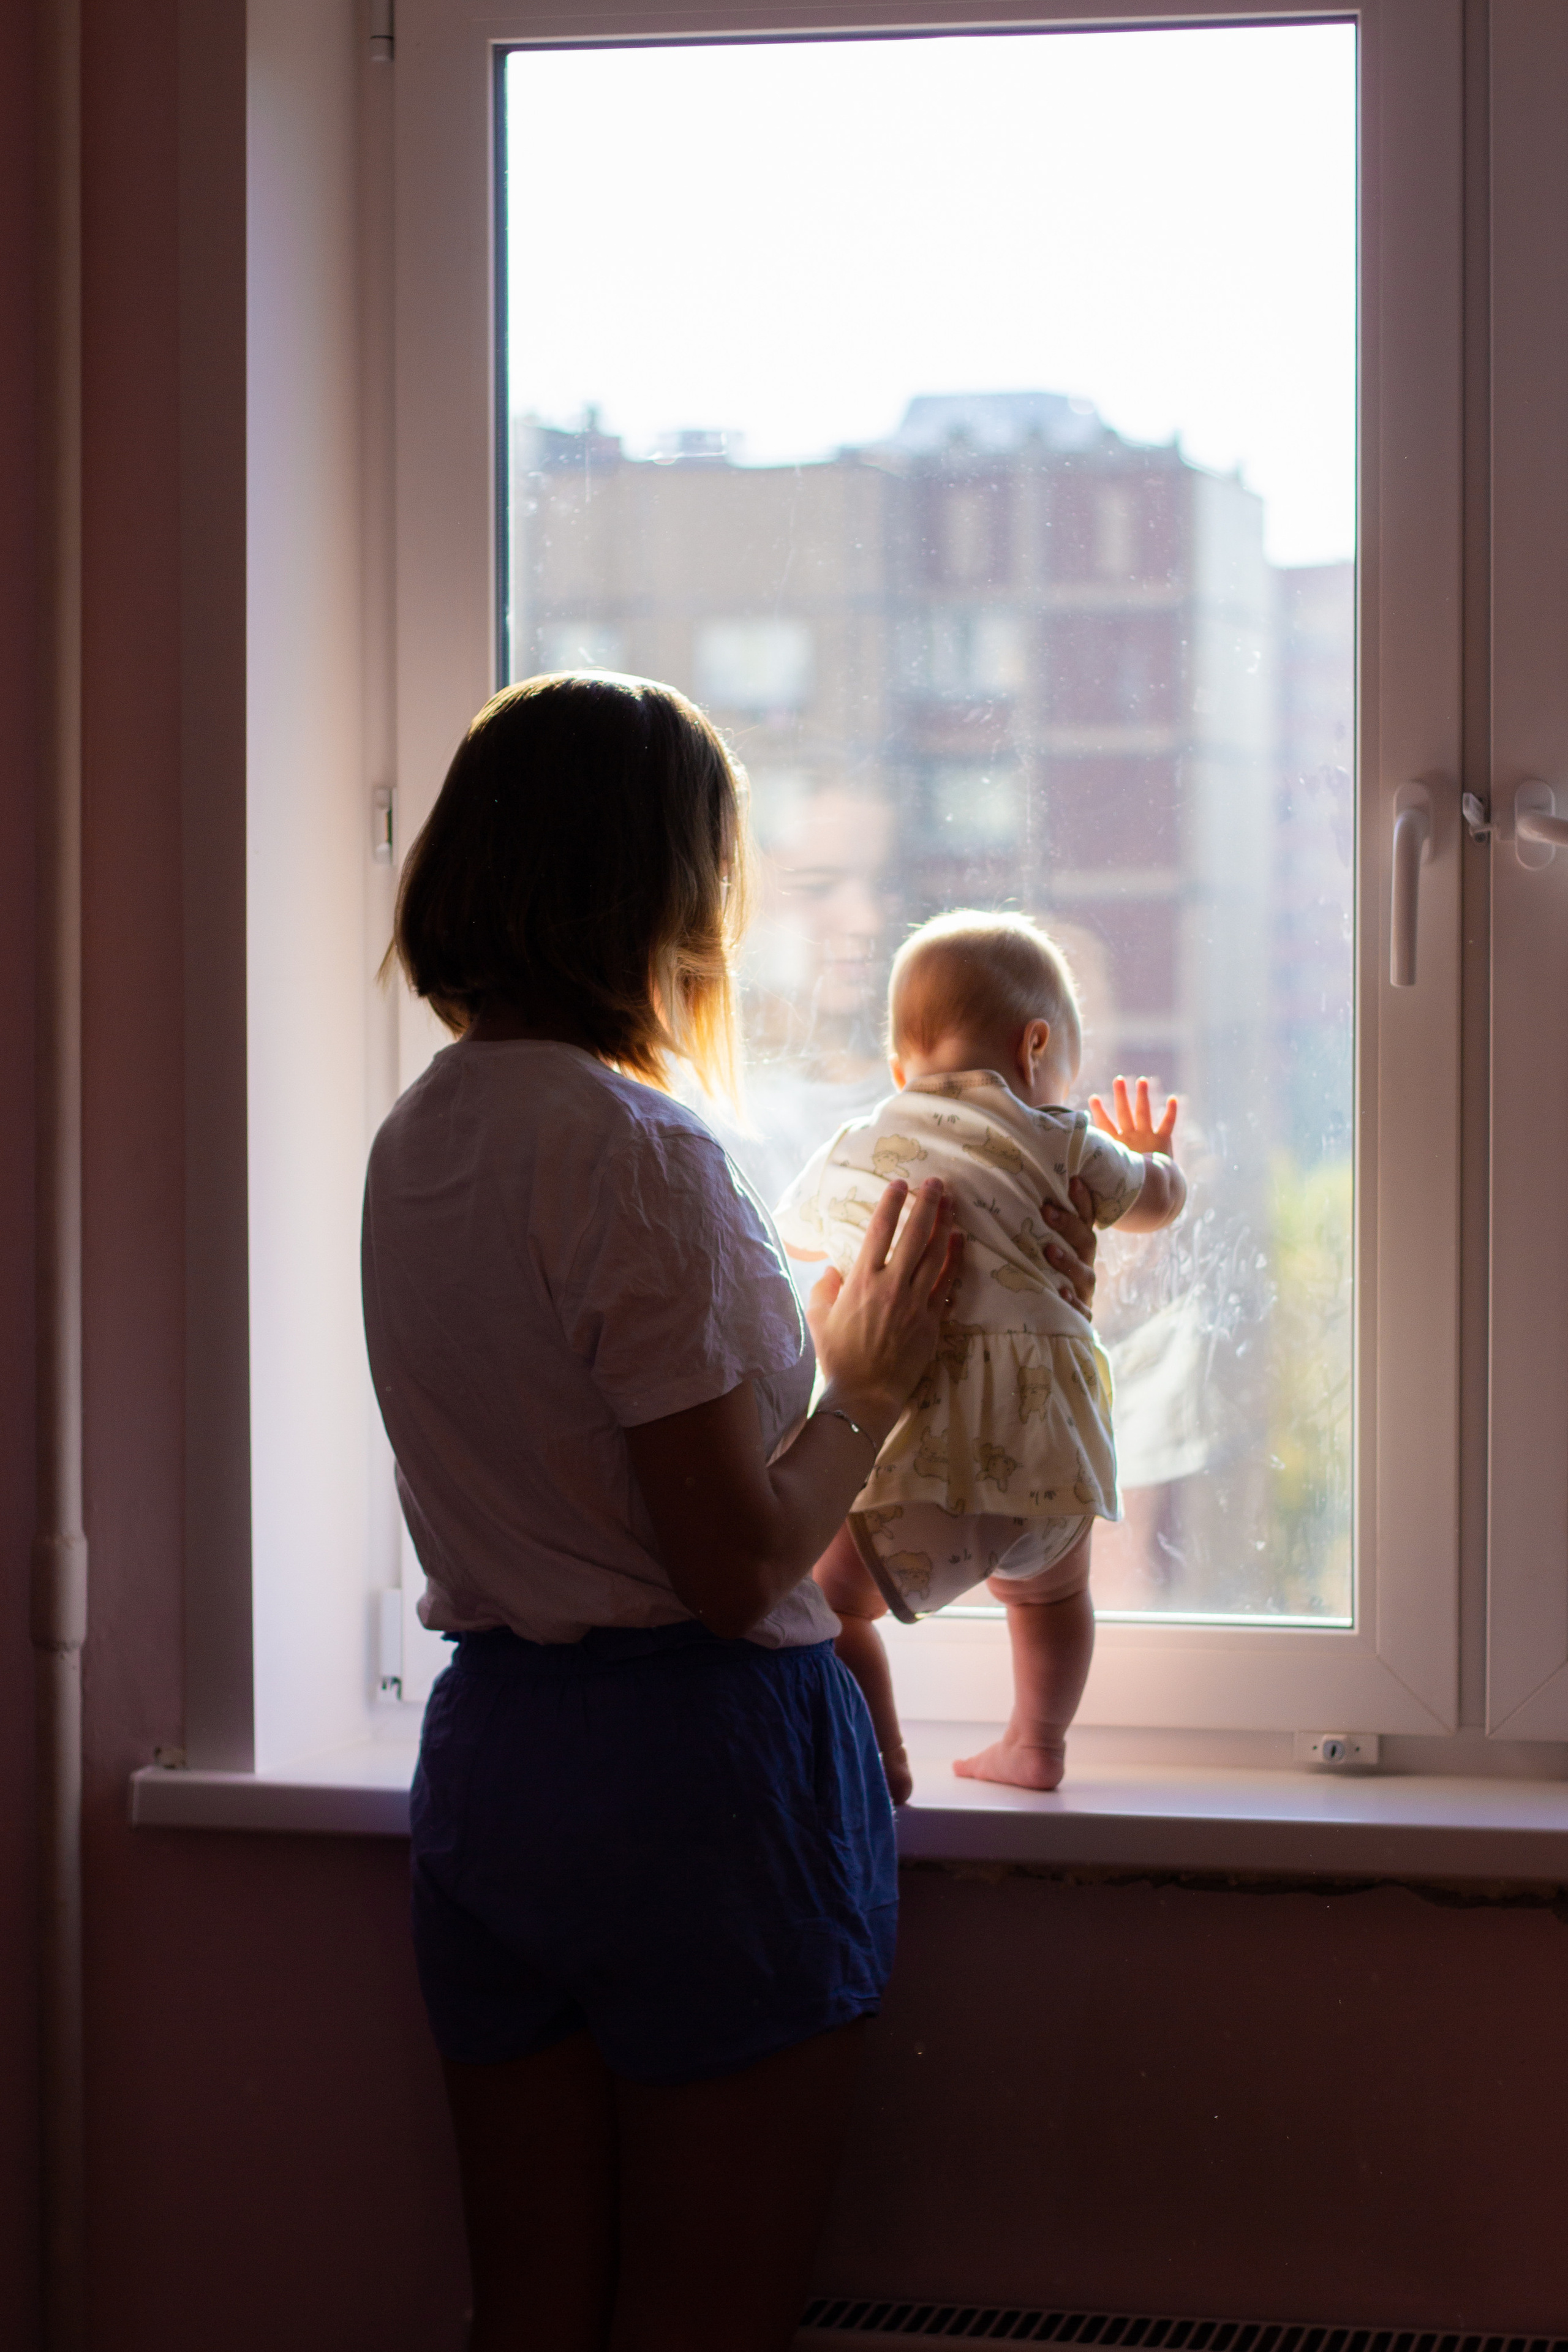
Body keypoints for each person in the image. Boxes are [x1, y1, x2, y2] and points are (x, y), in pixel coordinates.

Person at [361, 680, 1101, 2352]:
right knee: (710, 2314)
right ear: (661, 898)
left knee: (532, 2310)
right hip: (694, 1791)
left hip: (499, 1766)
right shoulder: (637, 1149)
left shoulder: (419, 1139)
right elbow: (736, 1561)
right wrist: (875, 1382)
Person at [774, 910, 1186, 1801]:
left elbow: (791, 1237)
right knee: (1047, 1600)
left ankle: (880, 1755)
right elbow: (1154, 1202)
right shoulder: (1065, 1137)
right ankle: (1037, 1744)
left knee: (832, 1603)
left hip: (917, 1459)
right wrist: (1155, 1159)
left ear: (899, 1068)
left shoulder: (861, 1144)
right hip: (1051, 1455)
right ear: (1037, 1047)